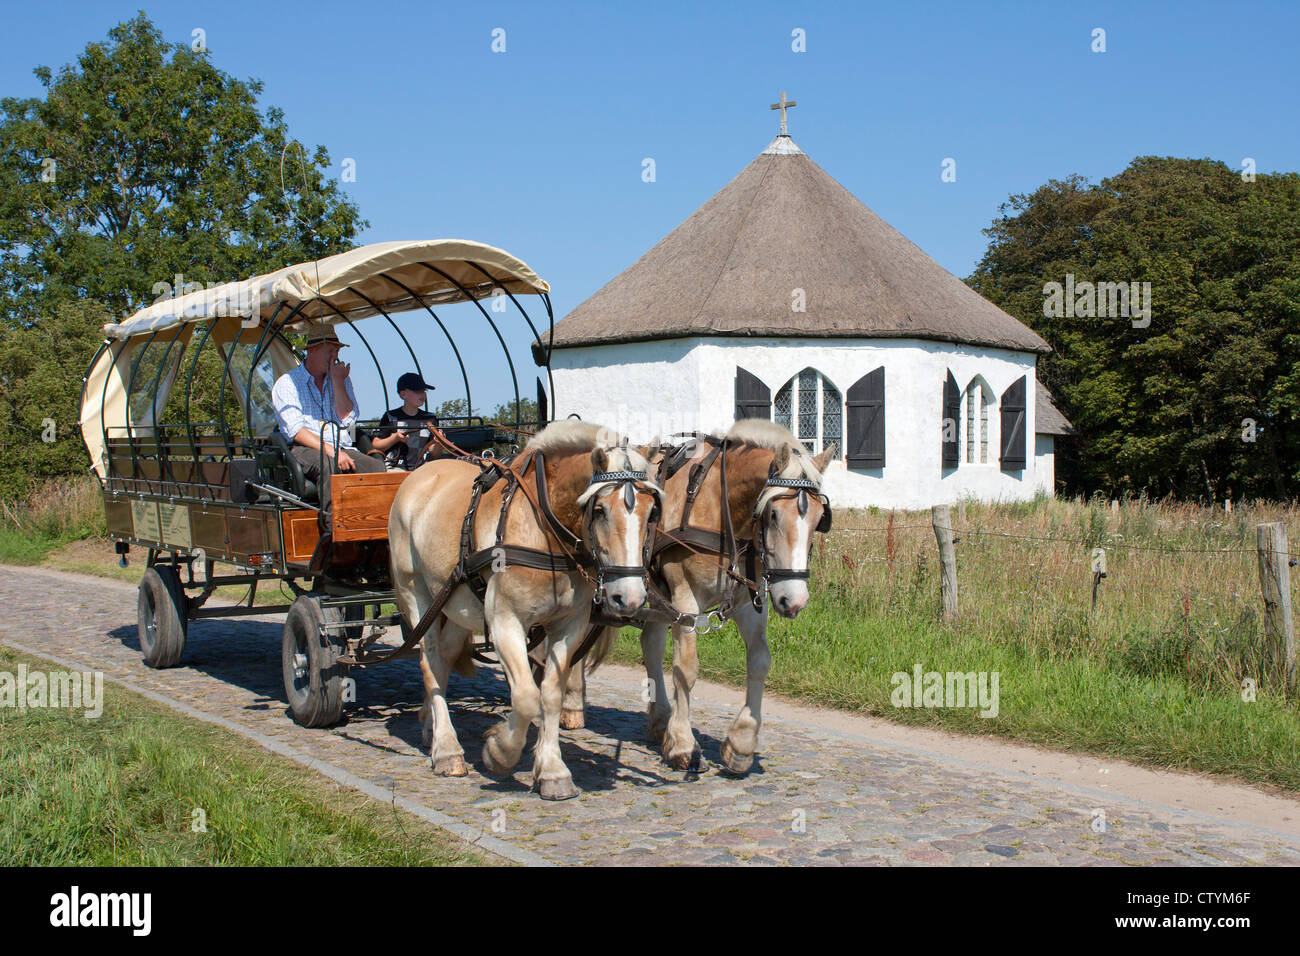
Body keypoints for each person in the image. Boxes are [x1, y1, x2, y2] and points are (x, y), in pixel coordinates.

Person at [271, 322, 385, 533]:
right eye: (330, 350)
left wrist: (338, 382)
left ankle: (375, 527)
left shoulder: (340, 379)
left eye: (337, 350)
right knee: (330, 467)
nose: (335, 355)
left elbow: (348, 421)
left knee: (376, 468)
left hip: (340, 447)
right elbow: (296, 431)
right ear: (312, 350)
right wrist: (333, 452)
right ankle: (334, 530)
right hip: (305, 448)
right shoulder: (287, 383)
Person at [373, 372, 439, 470]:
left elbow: (435, 453)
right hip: (394, 468)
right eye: (417, 391)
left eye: (424, 390)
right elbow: (376, 444)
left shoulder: (430, 419)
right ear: (403, 394)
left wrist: (439, 442)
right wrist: (395, 438)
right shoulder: (391, 417)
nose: (422, 394)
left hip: (421, 469)